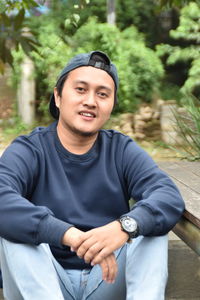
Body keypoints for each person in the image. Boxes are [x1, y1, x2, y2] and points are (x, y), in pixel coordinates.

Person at [0, 50, 184, 300]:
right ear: (57, 96)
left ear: (111, 105)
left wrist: (124, 227)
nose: (90, 101)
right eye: (80, 89)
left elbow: (167, 196)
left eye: (102, 94)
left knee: (151, 229)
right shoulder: (30, 149)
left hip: (107, 278)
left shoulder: (121, 150)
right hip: (46, 280)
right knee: (16, 230)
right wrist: (70, 235)